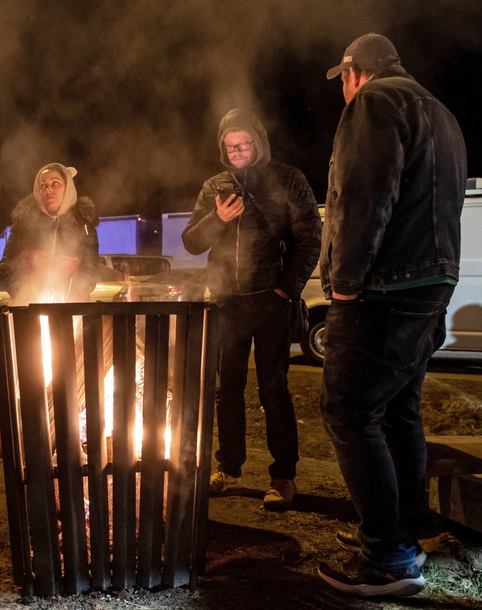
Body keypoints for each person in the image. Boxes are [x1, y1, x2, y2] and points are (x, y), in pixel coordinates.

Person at [317, 33, 466, 597]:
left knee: (349, 409)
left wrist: (347, 286)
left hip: (384, 287)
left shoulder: (375, 103)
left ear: (355, 72)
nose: (343, 92)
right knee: (398, 411)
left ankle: (389, 559)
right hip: (432, 283)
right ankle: (403, 535)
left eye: (344, 81)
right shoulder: (442, 113)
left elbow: (363, 197)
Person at [181, 108, 321, 511]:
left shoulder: (287, 180)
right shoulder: (215, 186)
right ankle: (229, 469)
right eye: (230, 146)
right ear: (222, 148)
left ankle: (283, 476)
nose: (238, 151)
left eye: (245, 144)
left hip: (271, 300)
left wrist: (284, 291)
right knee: (228, 391)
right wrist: (216, 219)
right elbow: (192, 241)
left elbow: (310, 239)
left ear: (259, 142)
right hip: (227, 300)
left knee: (274, 389)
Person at [0, 163, 100, 305]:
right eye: (43, 186)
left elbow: (91, 269)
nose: (49, 189)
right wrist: (22, 290)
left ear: (68, 189)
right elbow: (5, 267)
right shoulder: (24, 224)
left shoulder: (83, 226)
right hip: (30, 307)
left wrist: (75, 290)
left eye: (55, 183)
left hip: (71, 307)